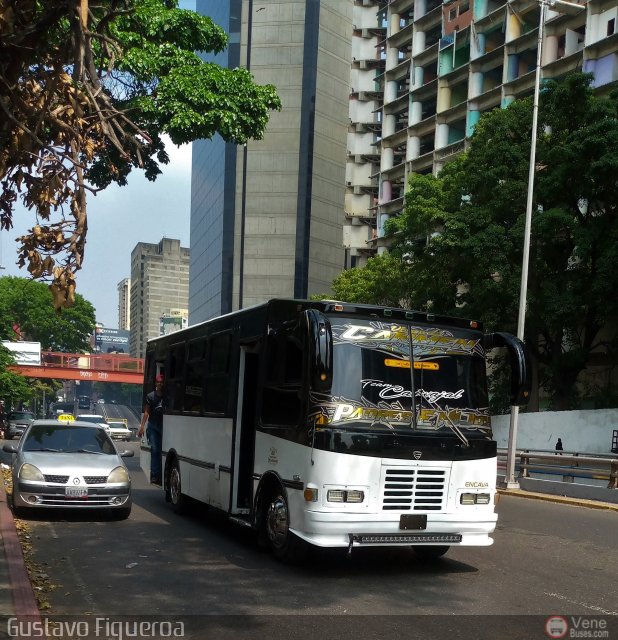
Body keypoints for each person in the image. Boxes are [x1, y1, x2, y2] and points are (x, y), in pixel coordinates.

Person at [138, 375, 166, 485]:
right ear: (155, 384)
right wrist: (142, 427)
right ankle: (155, 474)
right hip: (153, 426)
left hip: (164, 426)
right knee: (155, 449)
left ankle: (160, 473)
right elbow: (146, 412)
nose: (159, 384)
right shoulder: (150, 396)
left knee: (161, 451)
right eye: (158, 382)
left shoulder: (166, 396)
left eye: (161, 382)